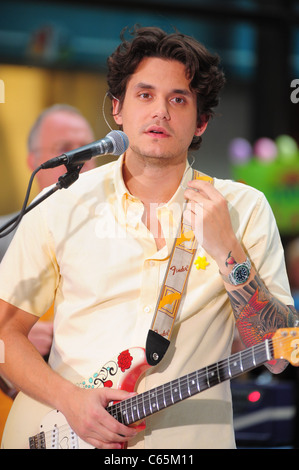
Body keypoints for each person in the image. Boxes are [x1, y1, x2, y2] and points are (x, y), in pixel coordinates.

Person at [0, 26, 297, 450]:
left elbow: (280, 353)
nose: (160, 111)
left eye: (178, 99)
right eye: (144, 95)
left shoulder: (243, 208)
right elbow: (4, 333)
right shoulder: (60, 203)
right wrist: (70, 401)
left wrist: (228, 251)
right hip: (59, 431)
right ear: (118, 109)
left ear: (202, 122)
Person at [0, 104, 96, 439]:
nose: (81, 163)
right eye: (66, 151)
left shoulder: (118, 237)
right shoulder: (3, 237)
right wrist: (18, 337)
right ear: (33, 162)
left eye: (89, 150)